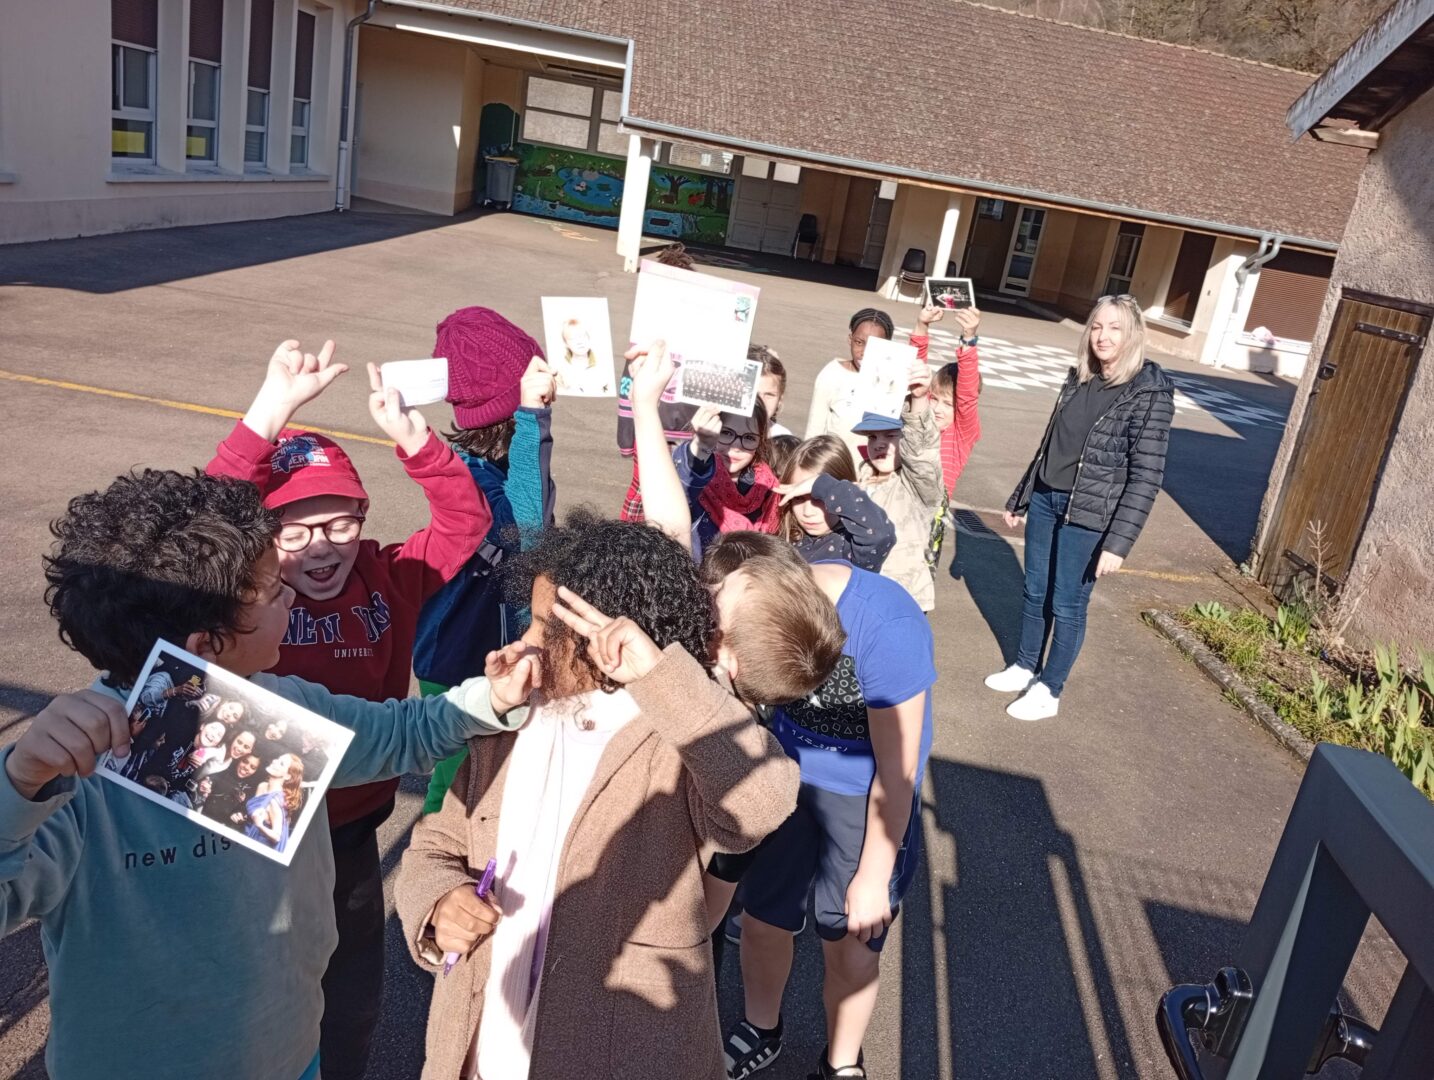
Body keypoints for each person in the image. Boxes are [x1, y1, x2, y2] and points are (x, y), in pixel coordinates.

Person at [0, 468, 524, 1080]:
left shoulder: (276, 705)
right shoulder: (71, 773)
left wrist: (494, 697)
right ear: (206, 645)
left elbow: (400, 734)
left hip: (290, 1051)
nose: (292, 598)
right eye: (274, 592)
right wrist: (18, 782)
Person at [395, 513, 800, 1080]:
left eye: (545, 628)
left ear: (601, 636)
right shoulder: (513, 716)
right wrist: (440, 902)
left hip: (618, 1053)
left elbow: (762, 802)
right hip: (481, 1047)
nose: (525, 644)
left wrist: (659, 674)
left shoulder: (678, 733)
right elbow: (435, 842)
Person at [206, 337, 492, 1080]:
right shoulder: (249, 596)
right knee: (253, 978)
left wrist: (418, 444)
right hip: (255, 817)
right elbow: (202, 522)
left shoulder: (391, 576)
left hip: (352, 826)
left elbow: (464, 525)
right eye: (293, 532)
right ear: (261, 543)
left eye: (340, 523)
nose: (319, 548)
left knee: (350, 990)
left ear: (364, 516)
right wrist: (269, 413)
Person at [695, 533, 936, 1080]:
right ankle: (762, 1026)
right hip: (784, 778)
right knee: (762, 919)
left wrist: (873, 875)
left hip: (864, 796)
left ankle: (842, 1062)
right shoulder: (748, 595)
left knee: (852, 941)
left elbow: (897, 773)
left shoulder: (887, 625)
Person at [986, 295, 1174, 720]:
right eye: (1097, 326)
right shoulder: (1079, 378)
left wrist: (1118, 543)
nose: (1102, 336)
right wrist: (1022, 495)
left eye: (1115, 328)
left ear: (1133, 335)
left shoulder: (1149, 393)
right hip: (1046, 499)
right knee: (1035, 591)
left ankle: (1049, 690)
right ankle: (1025, 666)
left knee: (1067, 603)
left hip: (1089, 515)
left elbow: (1147, 476)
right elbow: (1051, 445)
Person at [414, 307, 557, 815]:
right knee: (455, 787)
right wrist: (534, 420)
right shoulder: (470, 478)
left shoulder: (499, 463)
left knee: (495, 777)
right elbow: (526, 528)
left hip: (492, 650)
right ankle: (432, 856)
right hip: (458, 658)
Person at [851, 356, 944, 612]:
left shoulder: (916, 485)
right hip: (860, 592)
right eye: (872, 436)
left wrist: (919, 399)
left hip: (903, 599)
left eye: (891, 435)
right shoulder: (858, 479)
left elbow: (921, 452)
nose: (879, 443)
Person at [909, 304, 983, 570]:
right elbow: (915, 373)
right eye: (935, 399)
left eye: (948, 404)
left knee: (919, 576)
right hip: (900, 499)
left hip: (931, 512)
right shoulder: (920, 419)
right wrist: (922, 326)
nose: (938, 409)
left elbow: (967, 395)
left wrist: (968, 338)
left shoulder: (961, 433)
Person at [670, 400, 781, 560]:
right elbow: (677, 495)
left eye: (749, 437)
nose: (735, 446)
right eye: (726, 433)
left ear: (760, 442)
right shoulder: (693, 471)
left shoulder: (769, 487)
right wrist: (702, 446)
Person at [775, 436, 896, 572]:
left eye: (820, 498)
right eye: (798, 498)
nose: (807, 512)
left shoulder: (851, 547)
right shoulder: (782, 536)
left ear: (844, 494)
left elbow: (880, 535)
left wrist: (823, 485)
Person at [805, 308, 896, 465]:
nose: (865, 352)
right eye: (859, 342)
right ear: (850, 339)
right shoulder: (832, 374)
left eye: (875, 346)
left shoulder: (894, 382)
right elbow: (814, 431)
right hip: (834, 470)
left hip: (876, 473)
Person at [246, 753, 304, 851]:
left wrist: (259, 825)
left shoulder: (274, 802)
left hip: (261, 846)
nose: (274, 761)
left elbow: (277, 837)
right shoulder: (262, 786)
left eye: (281, 764)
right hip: (249, 835)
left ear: (287, 776)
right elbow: (254, 815)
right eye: (278, 759)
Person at [753, 346, 793, 438]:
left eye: (769, 395)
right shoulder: (720, 429)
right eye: (755, 394)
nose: (761, 402)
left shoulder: (782, 437)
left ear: (780, 399)